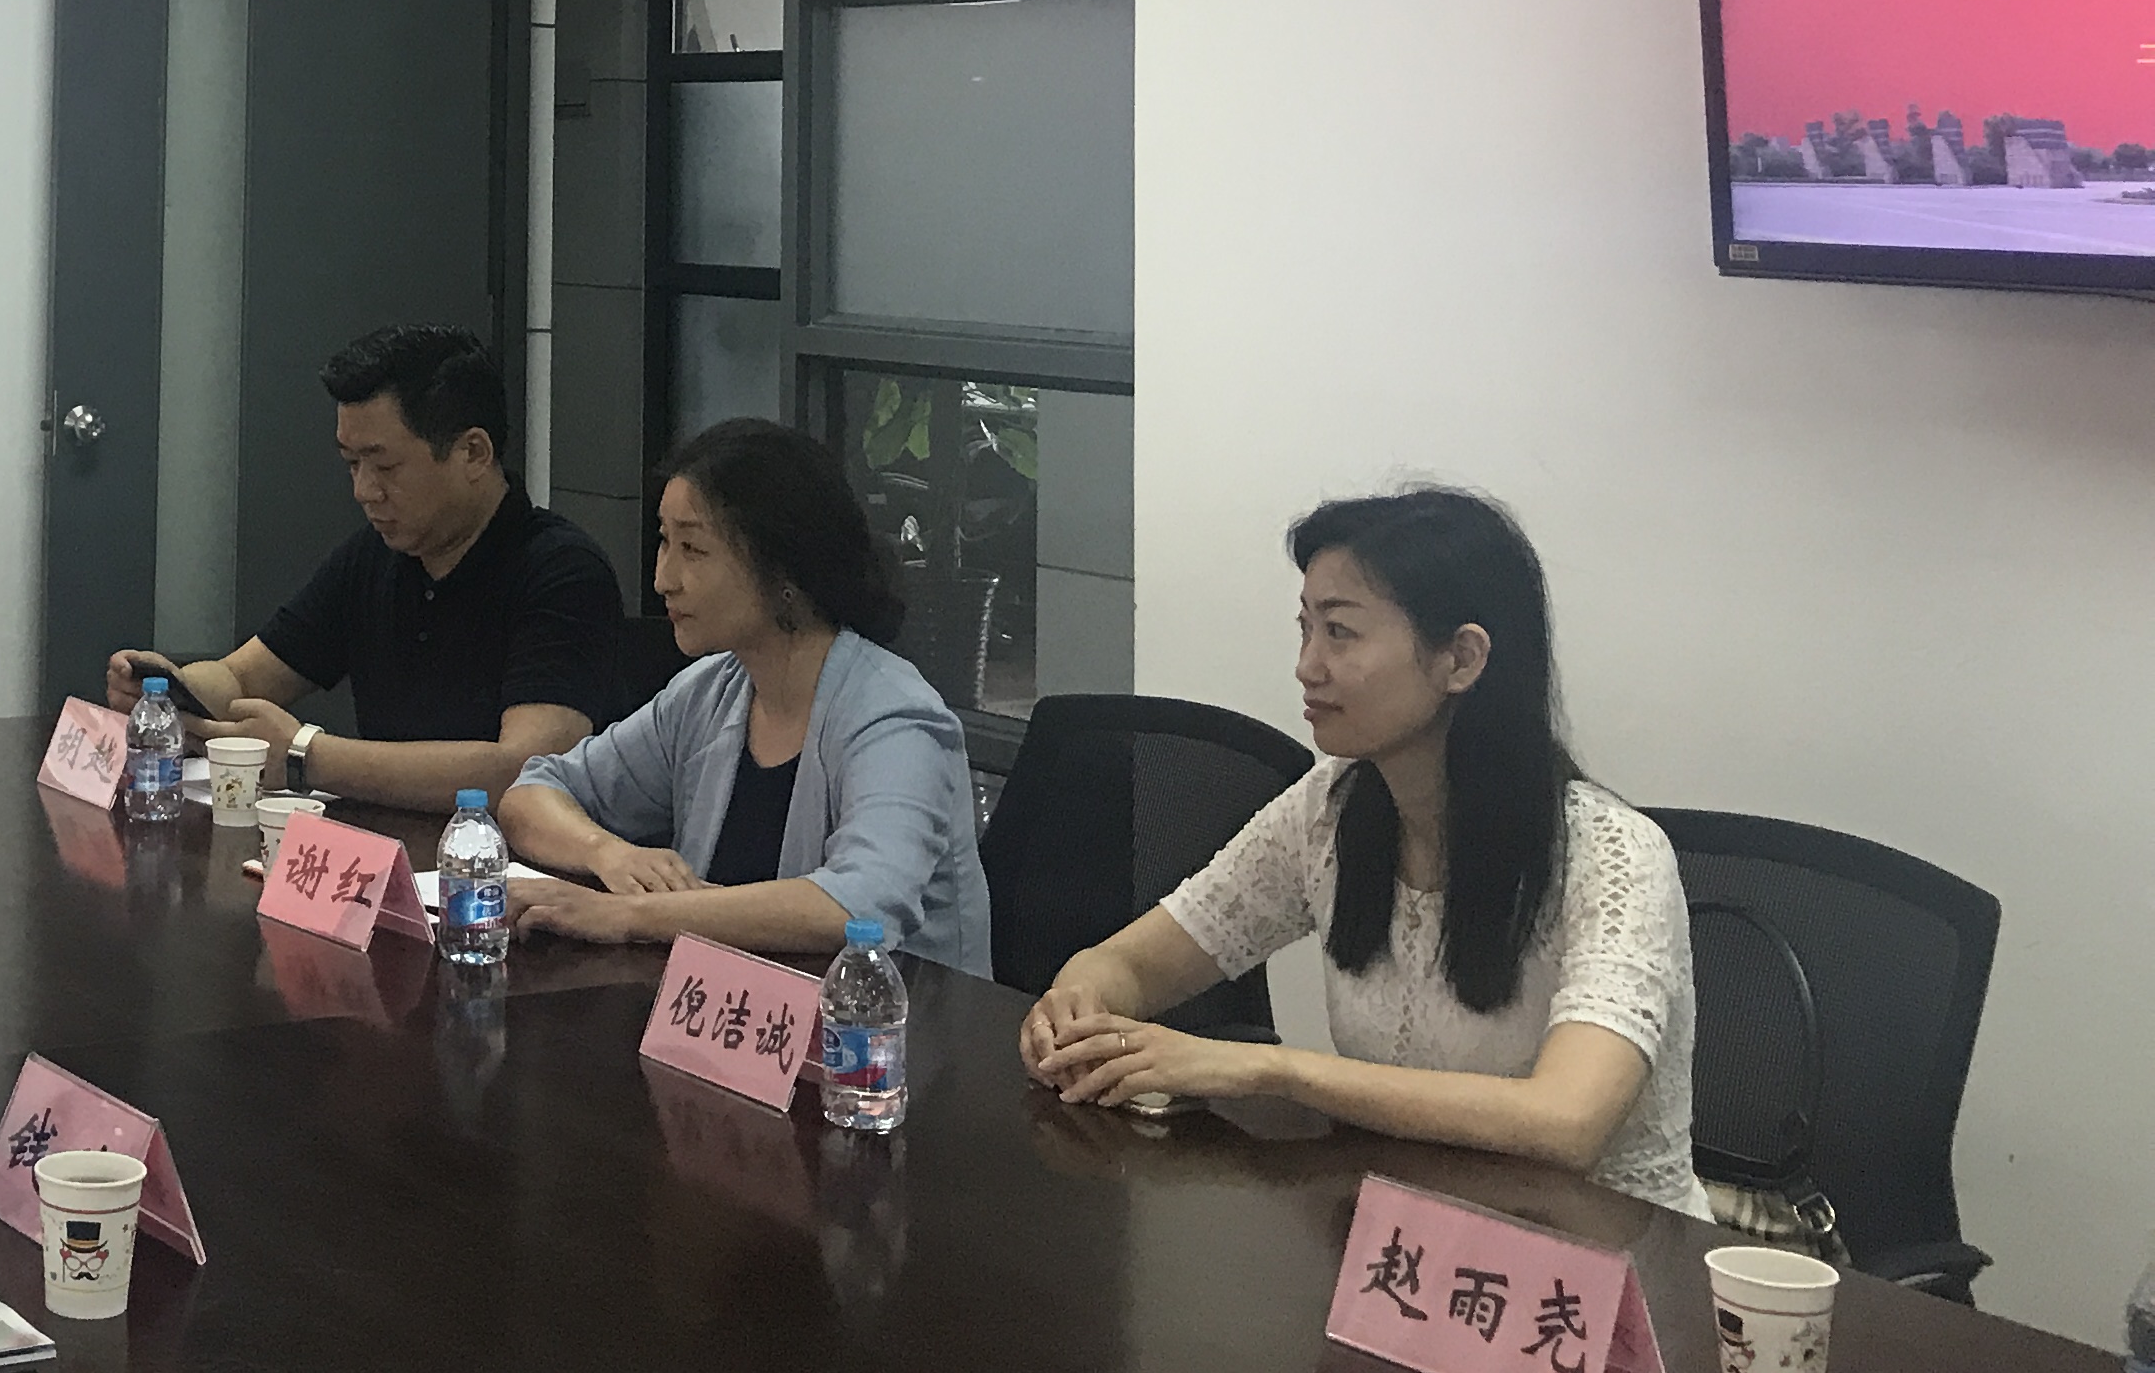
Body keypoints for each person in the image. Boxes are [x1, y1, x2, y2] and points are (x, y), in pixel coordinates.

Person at [1017, 486, 1704, 1214]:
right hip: (1414, 1239)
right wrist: (1077, 1008)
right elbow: (1131, 964)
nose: (1307, 666)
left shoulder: (1613, 857)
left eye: (1340, 633)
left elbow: (1566, 1121)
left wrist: (1272, 1070)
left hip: (1613, 1258)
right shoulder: (1327, 810)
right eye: (1305, 628)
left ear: (1461, 659)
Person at [494, 418, 991, 974]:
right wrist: (606, 852)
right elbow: (532, 793)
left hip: (901, 1019)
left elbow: (858, 905)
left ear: (783, 569)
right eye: (664, 541)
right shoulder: (709, 692)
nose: (663, 579)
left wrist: (631, 914)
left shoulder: (895, 717)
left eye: (693, 548)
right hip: (742, 1008)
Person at [104, 325, 619, 811]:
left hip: (500, 863)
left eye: (385, 466)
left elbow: (527, 769)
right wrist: (168, 691)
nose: (364, 491)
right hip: (385, 847)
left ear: (473, 453)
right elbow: (242, 677)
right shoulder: (376, 556)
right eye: (352, 464)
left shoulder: (562, 571)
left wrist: (307, 755)